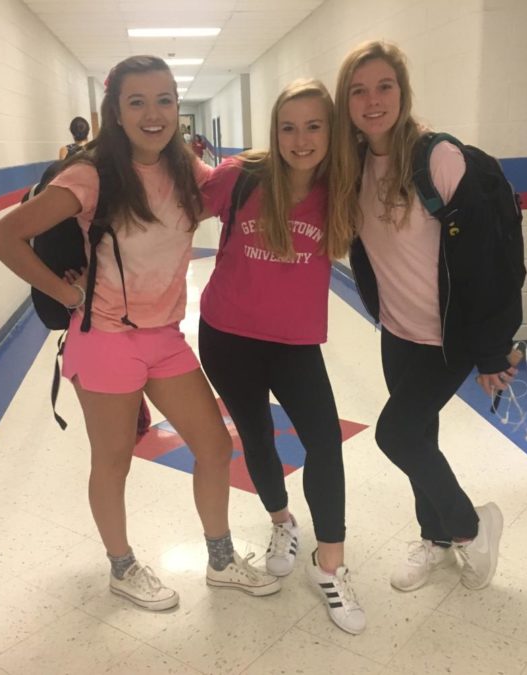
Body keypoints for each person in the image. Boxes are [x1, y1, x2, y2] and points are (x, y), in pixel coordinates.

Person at [0, 55, 279, 611]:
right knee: (113, 460)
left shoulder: (185, 168)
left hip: (165, 338)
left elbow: (226, 191)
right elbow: (3, 238)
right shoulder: (90, 175)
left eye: (164, 100)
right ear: (115, 111)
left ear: (177, 107)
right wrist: (66, 292)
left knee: (215, 446)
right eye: (137, 101)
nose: (153, 113)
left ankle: (220, 561)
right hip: (104, 341)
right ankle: (122, 568)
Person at [333, 41, 521, 593]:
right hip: (398, 331)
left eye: (384, 86)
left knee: (394, 433)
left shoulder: (438, 158)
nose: (373, 100)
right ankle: (435, 540)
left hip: (450, 338)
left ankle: (469, 525)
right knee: (422, 436)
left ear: (402, 91)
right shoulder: (352, 165)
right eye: (359, 90)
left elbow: (485, 265)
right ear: (346, 101)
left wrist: (491, 351)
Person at [197, 79, 365, 634]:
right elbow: (168, 215)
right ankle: (282, 521)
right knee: (256, 436)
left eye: (314, 125)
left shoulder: (345, 184)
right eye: (288, 126)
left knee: (323, 442)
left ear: (332, 130)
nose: (300, 139)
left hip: (295, 344)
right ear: (274, 130)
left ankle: (331, 564)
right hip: (227, 334)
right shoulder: (241, 177)